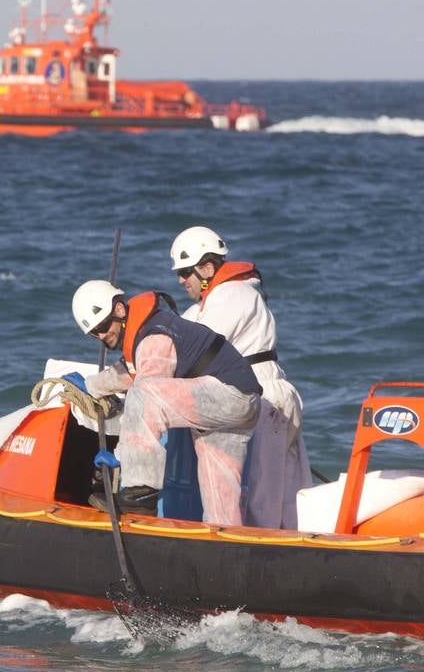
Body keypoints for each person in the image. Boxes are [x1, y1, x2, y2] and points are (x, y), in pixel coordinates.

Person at [64, 280, 262, 526]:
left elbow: (146, 394)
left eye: (103, 325)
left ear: (119, 310)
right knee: (220, 504)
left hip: (229, 396)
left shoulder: (154, 337)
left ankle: (139, 494)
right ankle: (227, 548)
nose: (102, 335)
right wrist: (91, 386)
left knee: (143, 393)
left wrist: (122, 457)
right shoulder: (149, 332)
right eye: (95, 333)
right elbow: (130, 371)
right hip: (236, 403)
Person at [170, 226, 311, 529]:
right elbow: (176, 338)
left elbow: (195, 349)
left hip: (264, 398)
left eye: (184, 272)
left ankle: (263, 559)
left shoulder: (233, 294)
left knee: (263, 500)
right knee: (283, 495)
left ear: (207, 267)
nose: (181, 280)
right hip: (267, 395)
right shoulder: (211, 303)